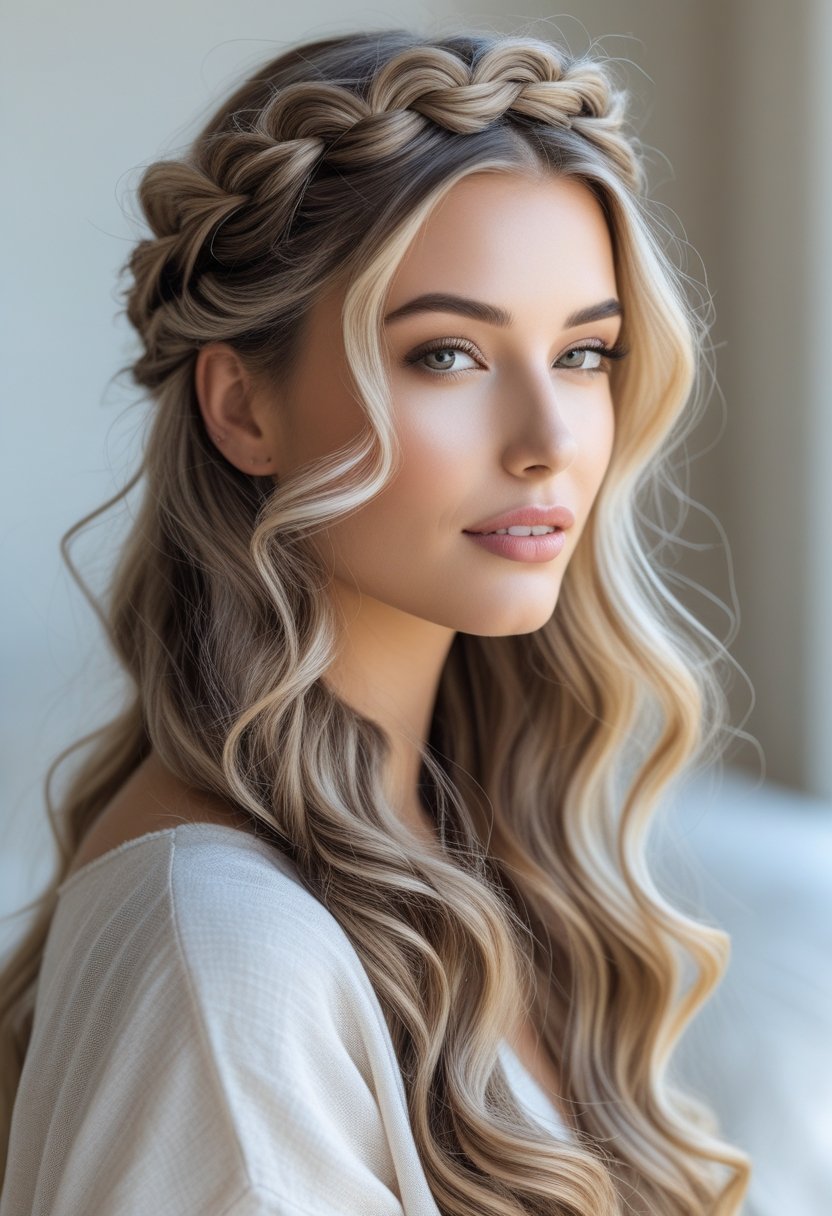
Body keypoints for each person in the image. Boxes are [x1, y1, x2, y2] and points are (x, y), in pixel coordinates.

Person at [0, 26, 751, 1216]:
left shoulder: (473, 849)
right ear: (243, 409)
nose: (548, 442)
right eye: (446, 354)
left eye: (584, 353)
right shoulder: (228, 956)